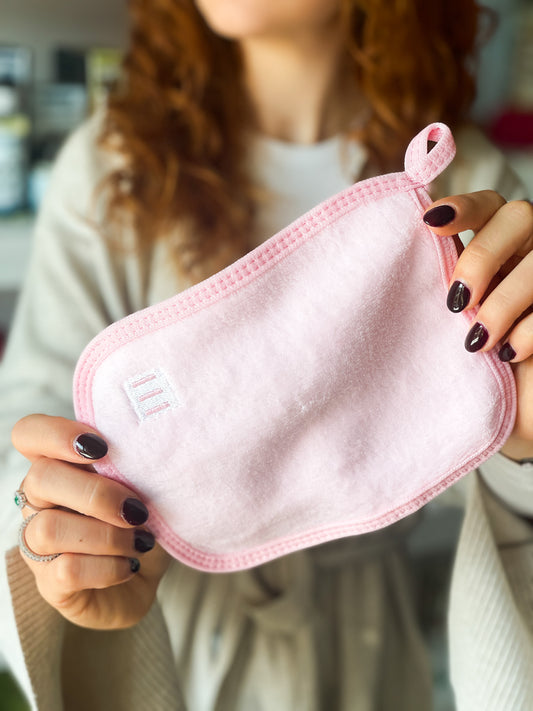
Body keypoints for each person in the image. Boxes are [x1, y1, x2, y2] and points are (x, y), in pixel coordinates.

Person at [1, 1, 533, 709]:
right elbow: (24, 421)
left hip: (371, 649)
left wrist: (522, 440)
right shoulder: (114, 163)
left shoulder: (468, 183)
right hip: (175, 649)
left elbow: (483, 464)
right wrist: (60, 543)